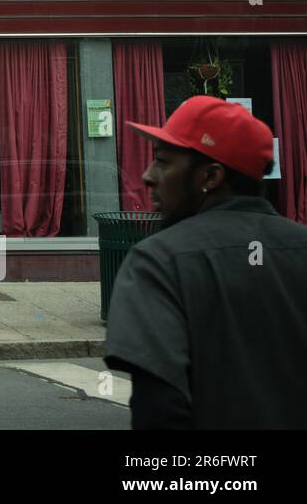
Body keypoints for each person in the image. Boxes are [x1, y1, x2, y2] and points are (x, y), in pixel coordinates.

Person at [104, 95, 307, 429]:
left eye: (164, 162)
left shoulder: (158, 261)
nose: (147, 176)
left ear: (210, 177)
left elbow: (158, 409)